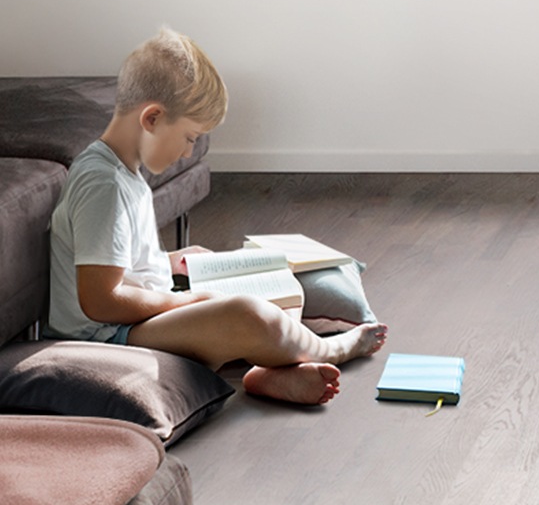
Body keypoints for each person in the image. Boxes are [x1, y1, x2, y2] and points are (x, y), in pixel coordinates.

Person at [46, 27, 387, 404]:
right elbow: (101, 301)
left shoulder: (122, 173)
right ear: (152, 119)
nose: (188, 153)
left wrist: (170, 261)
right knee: (247, 314)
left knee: (264, 291)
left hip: (135, 322)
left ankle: (267, 373)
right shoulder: (104, 186)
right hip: (109, 338)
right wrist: (188, 301)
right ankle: (334, 349)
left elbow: (118, 263)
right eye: (190, 137)